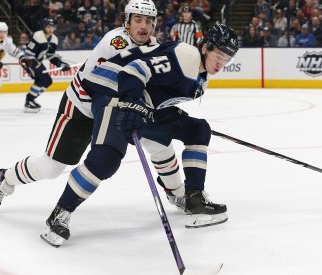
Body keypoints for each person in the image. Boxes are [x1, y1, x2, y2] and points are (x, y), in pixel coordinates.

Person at [0, 0, 189, 221]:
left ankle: (178, 194)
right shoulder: (117, 41)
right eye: (138, 20)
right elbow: (125, 80)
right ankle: (3, 180)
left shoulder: (152, 46)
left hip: (113, 109)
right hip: (82, 107)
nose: (144, 26)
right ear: (126, 22)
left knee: (160, 143)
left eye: (149, 21)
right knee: (51, 167)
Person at [37, 23, 239, 247]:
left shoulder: (200, 77)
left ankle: (194, 199)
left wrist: (146, 109)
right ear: (205, 48)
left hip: (140, 101)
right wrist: (132, 101)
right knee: (106, 159)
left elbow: (156, 92)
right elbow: (134, 70)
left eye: (227, 58)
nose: (222, 62)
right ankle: (60, 213)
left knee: (197, 130)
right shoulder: (186, 56)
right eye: (219, 54)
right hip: (113, 92)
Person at [21, 18, 71, 113]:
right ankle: (29, 100)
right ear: (44, 27)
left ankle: (32, 97)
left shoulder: (54, 39)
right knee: (41, 79)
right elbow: (28, 53)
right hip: (28, 61)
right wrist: (37, 65)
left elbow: (50, 55)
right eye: (48, 27)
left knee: (48, 81)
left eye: (52, 27)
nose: (50, 29)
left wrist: (60, 63)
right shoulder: (38, 35)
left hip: (36, 61)